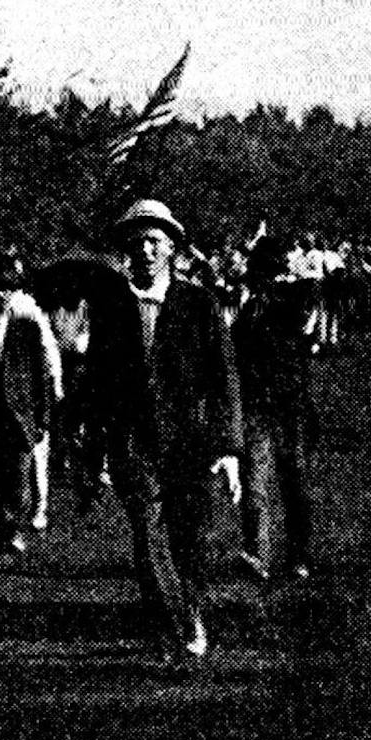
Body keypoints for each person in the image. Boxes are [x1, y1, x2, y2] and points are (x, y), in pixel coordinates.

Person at [106, 200, 243, 659]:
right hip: (134, 440)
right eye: (138, 241)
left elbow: (224, 377)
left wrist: (228, 447)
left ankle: (192, 611)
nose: (145, 250)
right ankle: (170, 626)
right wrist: (90, 441)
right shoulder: (114, 306)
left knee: (188, 537)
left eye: (155, 241)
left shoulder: (198, 303)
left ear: (171, 248)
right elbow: (98, 380)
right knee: (147, 540)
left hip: (190, 440)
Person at [232, 232, 316, 583]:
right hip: (274, 405)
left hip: (282, 406)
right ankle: (267, 554)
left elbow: (306, 299)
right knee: (273, 482)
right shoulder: (258, 308)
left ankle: (278, 554)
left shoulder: (285, 301)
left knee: (280, 482)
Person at [0, 250, 62, 558]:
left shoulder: (27, 324)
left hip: (21, 412)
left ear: (16, 289)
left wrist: (43, 415)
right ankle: (4, 524)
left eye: (7, 288)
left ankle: (16, 528)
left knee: (19, 473)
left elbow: (43, 373)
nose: (1, 294)